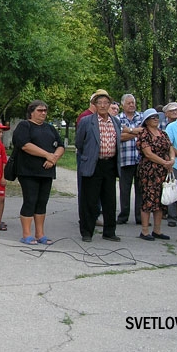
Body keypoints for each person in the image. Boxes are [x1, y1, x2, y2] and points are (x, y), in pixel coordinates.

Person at [13, 100, 64, 245]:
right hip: (28, 171)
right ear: (31, 112)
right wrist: (46, 155)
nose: (43, 113)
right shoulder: (25, 125)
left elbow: (60, 145)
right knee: (30, 200)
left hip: (47, 171)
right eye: (40, 110)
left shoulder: (50, 128)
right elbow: (25, 145)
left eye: (45, 110)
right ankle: (26, 234)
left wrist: (53, 158)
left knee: (42, 202)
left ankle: (40, 233)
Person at [76, 90, 122, 243]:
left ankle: (109, 231)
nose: (103, 105)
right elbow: (79, 143)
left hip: (109, 164)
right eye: (99, 103)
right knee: (90, 199)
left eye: (106, 103)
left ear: (110, 105)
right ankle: (87, 232)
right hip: (93, 164)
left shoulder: (115, 122)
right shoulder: (86, 121)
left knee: (109, 200)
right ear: (94, 105)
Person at [136, 108, 174, 241]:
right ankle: (145, 231)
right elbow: (148, 153)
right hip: (149, 171)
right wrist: (164, 162)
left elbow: (170, 148)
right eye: (153, 118)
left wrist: (171, 160)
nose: (156, 119)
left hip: (163, 170)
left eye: (157, 117)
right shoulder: (144, 134)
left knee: (160, 200)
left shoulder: (163, 134)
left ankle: (157, 230)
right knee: (148, 199)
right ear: (146, 121)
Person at [117, 94, 143, 225]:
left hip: (140, 160)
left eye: (133, 102)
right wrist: (135, 131)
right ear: (123, 105)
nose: (132, 105)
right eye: (129, 103)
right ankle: (123, 216)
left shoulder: (142, 117)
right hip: (125, 159)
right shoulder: (117, 118)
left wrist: (129, 130)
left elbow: (144, 133)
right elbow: (118, 137)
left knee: (141, 189)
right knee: (124, 189)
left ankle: (140, 216)